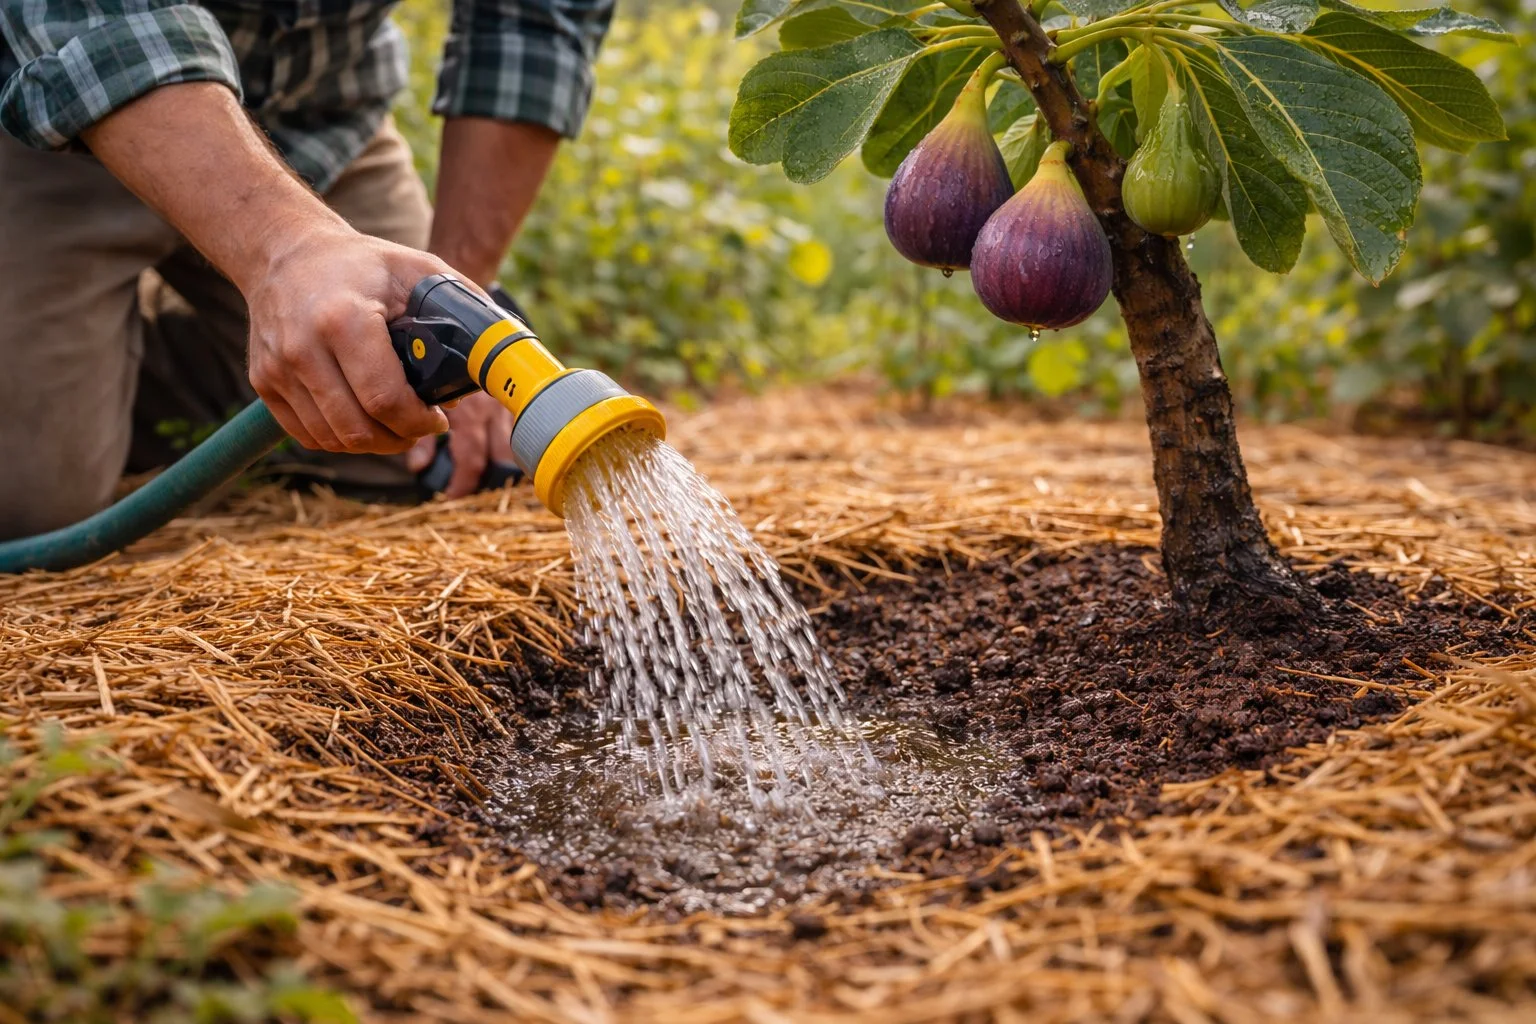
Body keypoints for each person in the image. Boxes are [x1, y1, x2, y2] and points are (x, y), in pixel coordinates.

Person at [0, 0, 613, 540]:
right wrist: (285, 251)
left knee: (410, 426)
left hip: (319, 121)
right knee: (31, 499)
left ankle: (112, 375)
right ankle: (71, 376)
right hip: (57, 110)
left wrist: (455, 295)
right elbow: (96, 20)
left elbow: (531, 27)